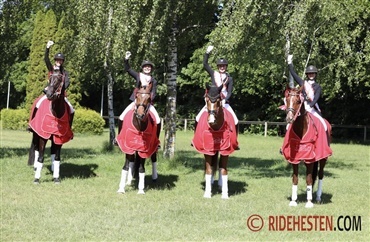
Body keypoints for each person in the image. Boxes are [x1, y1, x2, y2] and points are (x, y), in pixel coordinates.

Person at [194, 45, 239, 149]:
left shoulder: (229, 79)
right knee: (197, 118)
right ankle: (195, 139)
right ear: (218, 67)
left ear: (226, 67)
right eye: (220, 66)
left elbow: (229, 92)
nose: (222, 67)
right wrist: (207, 53)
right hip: (213, 101)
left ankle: (235, 141)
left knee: (236, 120)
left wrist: (225, 100)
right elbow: (205, 64)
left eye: (223, 66)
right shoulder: (213, 74)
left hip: (224, 102)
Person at [117, 51, 161, 144]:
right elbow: (128, 69)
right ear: (143, 68)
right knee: (121, 117)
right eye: (145, 66)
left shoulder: (154, 80)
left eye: (149, 67)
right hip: (136, 101)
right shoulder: (138, 75)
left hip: (147, 103)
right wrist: (126, 59)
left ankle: (156, 141)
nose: (147, 68)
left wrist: (149, 101)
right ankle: (118, 138)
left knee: (157, 120)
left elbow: (154, 93)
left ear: (151, 69)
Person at [287, 54, 328, 133]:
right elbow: (293, 74)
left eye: (313, 73)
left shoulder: (318, 86)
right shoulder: (303, 83)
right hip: (302, 106)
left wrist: (310, 105)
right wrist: (289, 63)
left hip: (312, 108)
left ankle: (323, 143)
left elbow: (316, 98)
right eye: (309, 73)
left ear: (315, 74)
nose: (311, 75)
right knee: (288, 126)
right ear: (307, 74)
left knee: (324, 125)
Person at [36, 40, 75, 119]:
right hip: (50, 92)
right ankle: (33, 123)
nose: (59, 61)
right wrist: (47, 48)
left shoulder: (65, 72)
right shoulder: (51, 69)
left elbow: (67, 83)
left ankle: (69, 126)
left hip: (60, 94)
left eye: (60, 60)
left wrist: (60, 90)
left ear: (62, 61)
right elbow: (46, 59)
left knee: (71, 110)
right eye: (57, 60)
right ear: (55, 60)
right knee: (38, 104)